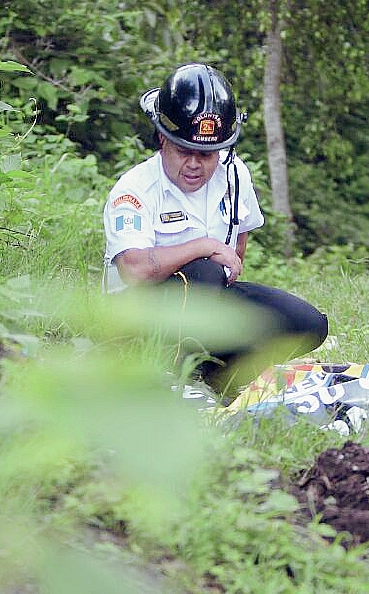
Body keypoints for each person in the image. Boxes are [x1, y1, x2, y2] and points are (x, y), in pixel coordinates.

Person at [102, 62, 329, 394]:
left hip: (205, 304)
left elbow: (237, 249)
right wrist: (202, 247)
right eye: (184, 152)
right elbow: (134, 270)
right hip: (137, 322)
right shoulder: (134, 190)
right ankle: (164, 383)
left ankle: (217, 382)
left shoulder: (234, 174)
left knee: (307, 324)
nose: (194, 164)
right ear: (162, 140)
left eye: (206, 155)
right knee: (204, 272)